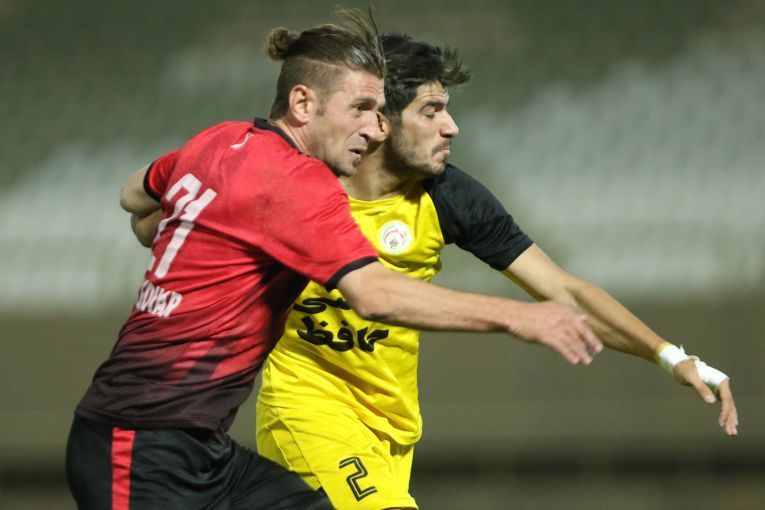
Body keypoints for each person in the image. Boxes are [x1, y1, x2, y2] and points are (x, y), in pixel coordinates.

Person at [66, 11, 603, 510]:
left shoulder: (221, 141)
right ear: (303, 103)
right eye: (361, 109)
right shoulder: (300, 183)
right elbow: (374, 294)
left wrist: (173, 228)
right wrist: (517, 315)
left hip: (202, 452)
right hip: (137, 446)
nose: (375, 128)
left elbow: (134, 197)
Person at [254, 33, 739, 510]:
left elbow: (564, 291)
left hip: (391, 426)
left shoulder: (448, 195)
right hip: (307, 409)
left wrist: (671, 357)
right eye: (430, 111)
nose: (451, 127)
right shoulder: (294, 187)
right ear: (380, 120)